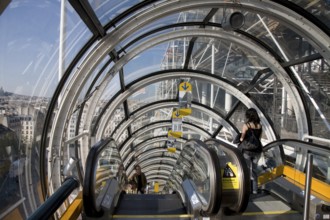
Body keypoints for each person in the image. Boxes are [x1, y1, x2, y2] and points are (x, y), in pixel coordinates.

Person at [239, 108, 263, 195]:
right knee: (254, 170)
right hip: (257, 151)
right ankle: (255, 189)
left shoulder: (246, 125)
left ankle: (247, 189)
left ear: (248, 116)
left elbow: (242, 138)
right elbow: (259, 139)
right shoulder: (260, 126)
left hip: (248, 151)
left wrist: (240, 139)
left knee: (247, 170)